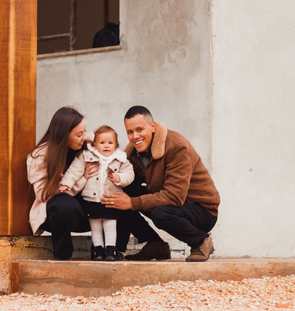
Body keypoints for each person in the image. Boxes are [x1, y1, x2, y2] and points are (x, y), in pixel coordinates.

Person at [101, 105, 221, 262]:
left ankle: (201, 241)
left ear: (152, 126)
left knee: (159, 213)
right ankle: (156, 244)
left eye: (139, 129)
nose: (135, 136)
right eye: (130, 132)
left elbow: (175, 196)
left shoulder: (177, 147)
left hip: (201, 210)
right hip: (171, 203)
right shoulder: (132, 154)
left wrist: (131, 202)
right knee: (121, 189)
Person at [27, 106, 95, 260]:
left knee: (114, 200)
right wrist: (82, 179)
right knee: (65, 206)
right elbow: (43, 194)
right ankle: (62, 255)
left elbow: (95, 137)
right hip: (57, 214)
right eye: (79, 134)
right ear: (63, 135)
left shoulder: (84, 143)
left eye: (85, 131)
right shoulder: (39, 157)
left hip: (84, 212)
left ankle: (105, 251)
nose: (84, 137)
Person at [61, 125, 135, 261]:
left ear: (116, 145)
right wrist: (67, 182)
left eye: (110, 143)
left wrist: (120, 179)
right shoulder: (87, 156)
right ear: (95, 145)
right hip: (91, 199)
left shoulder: (120, 159)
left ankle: (110, 251)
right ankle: (98, 251)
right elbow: (74, 170)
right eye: (102, 143)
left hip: (110, 199)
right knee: (95, 227)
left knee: (110, 225)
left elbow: (129, 174)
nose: (106, 146)